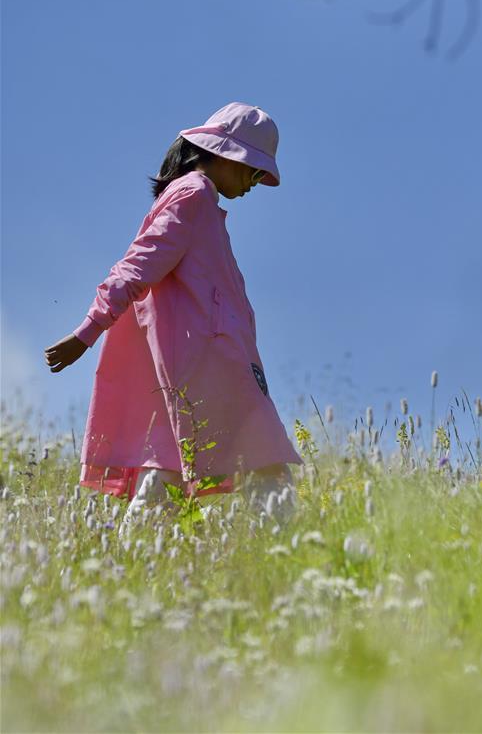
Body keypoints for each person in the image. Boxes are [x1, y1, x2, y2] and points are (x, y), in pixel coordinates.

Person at [43, 101, 303, 519]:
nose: (255, 183)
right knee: (264, 460)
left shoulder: (198, 202)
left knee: (167, 467)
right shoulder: (194, 195)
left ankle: (136, 551)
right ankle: (289, 547)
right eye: (254, 171)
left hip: (192, 360)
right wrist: (87, 331)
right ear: (223, 154)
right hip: (211, 362)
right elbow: (137, 265)